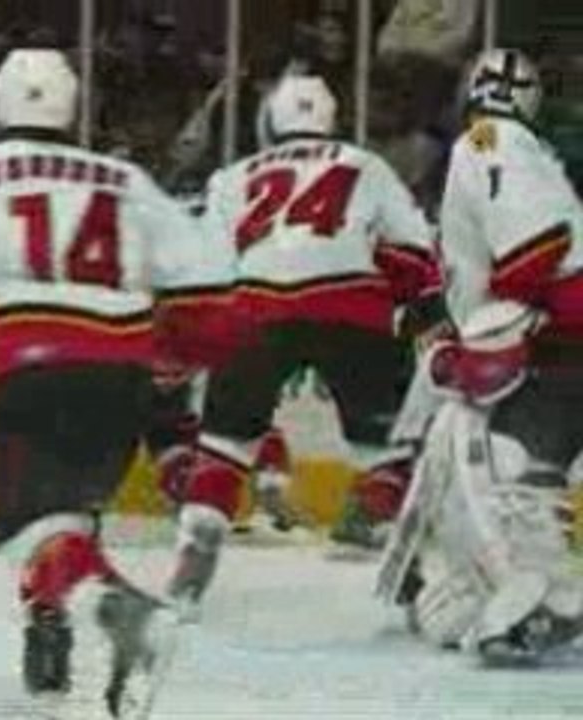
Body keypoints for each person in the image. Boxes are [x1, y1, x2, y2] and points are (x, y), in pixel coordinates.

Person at [0, 49, 237, 715]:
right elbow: (208, 295)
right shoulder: (126, 179)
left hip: (28, 376)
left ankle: (119, 612)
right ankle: (55, 634)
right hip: (120, 386)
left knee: (26, 528)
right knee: (66, 516)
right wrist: (173, 353)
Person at [166, 74, 443, 611]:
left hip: (256, 307)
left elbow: (205, 270)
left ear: (271, 121)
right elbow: (410, 250)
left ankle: (200, 534)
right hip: (352, 308)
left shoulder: (232, 176)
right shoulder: (364, 164)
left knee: (226, 442)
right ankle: (384, 521)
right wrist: (425, 312)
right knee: (387, 444)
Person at [381, 48, 583, 664]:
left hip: (564, 329)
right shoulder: (522, 150)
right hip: (563, 337)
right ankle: (520, 590)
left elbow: (536, 243)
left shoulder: (488, 139)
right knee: (527, 461)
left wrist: (495, 342)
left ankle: (525, 592)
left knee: (486, 446)